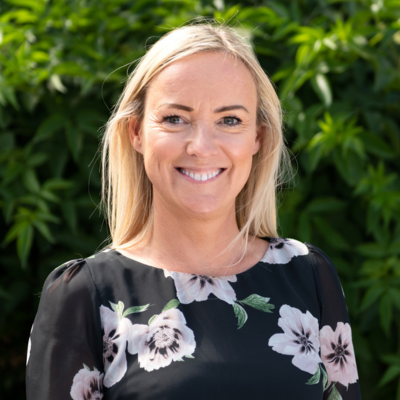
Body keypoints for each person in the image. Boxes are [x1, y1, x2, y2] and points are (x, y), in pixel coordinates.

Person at [26, 23, 362, 400]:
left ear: (258, 138)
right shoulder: (85, 296)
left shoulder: (309, 275)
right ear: (137, 132)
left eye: (229, 120)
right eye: (175, 119)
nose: (201, 146)